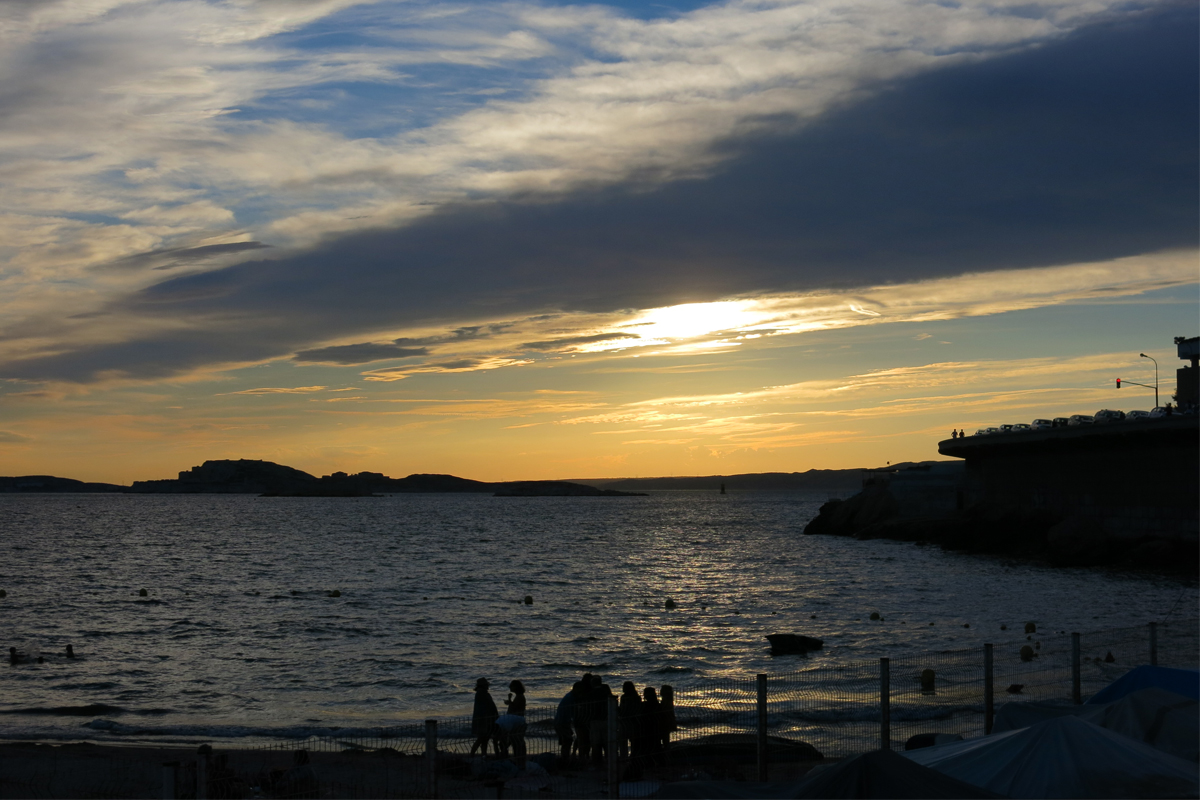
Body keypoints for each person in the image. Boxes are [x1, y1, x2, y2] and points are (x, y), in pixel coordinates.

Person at [496, 679, 528, 769]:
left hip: (516, 723)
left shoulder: (520, 697)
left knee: (516, 741)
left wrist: (510, 702)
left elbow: (516, 707)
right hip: (514, 722)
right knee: (513, 741)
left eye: (512, 686)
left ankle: (518, 759)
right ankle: (515, 758)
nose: (510, 687)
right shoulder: (518, 696)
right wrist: (510, 700)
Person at [469, 678, 499, 757]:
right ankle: (474, 754)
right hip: (484, 720)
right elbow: (490, 706)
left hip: (483, 719)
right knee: (482, 739)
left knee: (483, 739)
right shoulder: (482, 693)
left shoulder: (480, 693)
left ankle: (482, 755)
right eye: (486, 685)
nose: (488, 686)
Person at [555, 681, 580, 763]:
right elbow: (573, 712)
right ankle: (565, 759)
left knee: (566, 741)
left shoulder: (569, 696)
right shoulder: (571, 698)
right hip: (562, 722)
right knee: (567, 740)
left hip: (561, 721)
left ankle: (565, 758)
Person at [572, 673, 594, 762]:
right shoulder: (588, 691)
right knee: (586, 738)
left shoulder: (580, 689)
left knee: (580, 737)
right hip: (585, 717)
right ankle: (584, 755)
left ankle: (576, 753)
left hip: (579, 717)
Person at [617, 681, 642, 759]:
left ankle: (623, 756)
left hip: (625, 721)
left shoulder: (624, 697)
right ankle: (634, 755)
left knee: (623, 741)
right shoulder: (637, 697)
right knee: (634, 741)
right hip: (635, 721)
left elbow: (622, 709)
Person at [642, 686, 663, 766]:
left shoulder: (645, 705)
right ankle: (659, 761)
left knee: (649, 746)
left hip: (649, 728)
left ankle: (651, 762)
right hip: (656, 727)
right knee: (656, 745)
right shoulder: (657, 705)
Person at [659, 685, 677, 759]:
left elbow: (663, 711)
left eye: (662, 690)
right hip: (667, 723)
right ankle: (666, 756)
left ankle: (666, 757)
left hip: (665, 723)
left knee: (665, 741)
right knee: (666, 741)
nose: (660, 691)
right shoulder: (668, 700)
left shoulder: (666, 701)